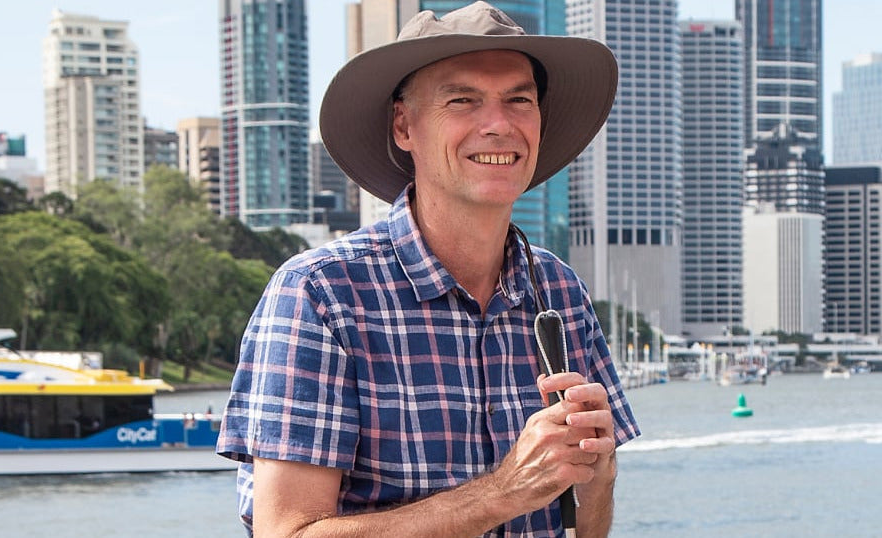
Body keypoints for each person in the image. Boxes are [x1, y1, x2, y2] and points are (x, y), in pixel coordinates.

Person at [217, 3, 638, 537]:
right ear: (403, 125)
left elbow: (586, 527)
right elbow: (287, 533)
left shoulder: (561, 293)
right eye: (462, 100)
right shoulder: (321, 295)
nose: (498, 124)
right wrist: (506, 491)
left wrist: (596, 480)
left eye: (519, 100)